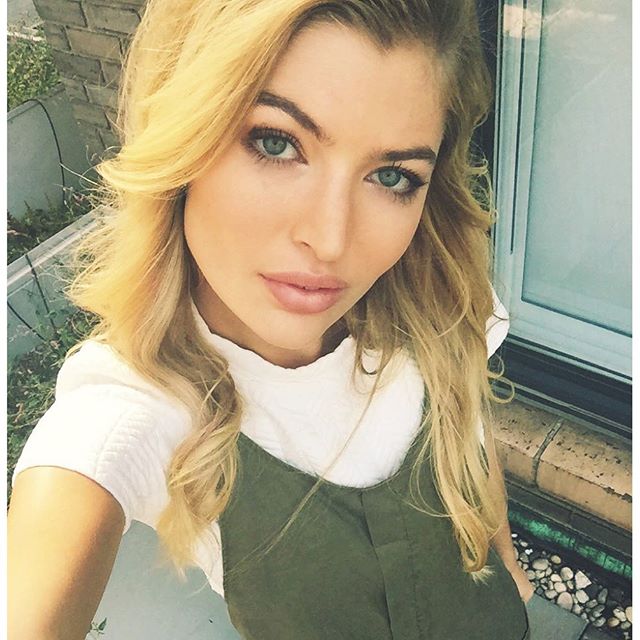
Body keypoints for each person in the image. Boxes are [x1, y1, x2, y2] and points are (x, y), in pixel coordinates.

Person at [8, 1, 535, 638]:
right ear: (183, 137)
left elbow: (470, 431)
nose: (331, 239)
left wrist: (507, 562)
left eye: (392, 176)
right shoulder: (130, 414)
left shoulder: (437, 300)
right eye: (276, 143)